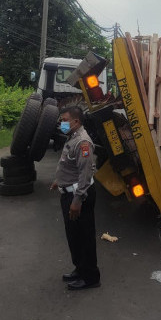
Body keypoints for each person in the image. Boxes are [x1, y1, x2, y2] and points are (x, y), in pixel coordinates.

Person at [49, 106, 100, 291]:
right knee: (74, 236)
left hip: (79, 195)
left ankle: (91, 277)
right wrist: (58, 180)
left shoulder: (83, 143)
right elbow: (69, 164)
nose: (61, 123)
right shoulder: (72, 137)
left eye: (64, 120)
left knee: (84, 236)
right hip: (68, 192)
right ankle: (80, 269)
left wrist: (77, 201)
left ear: (76, 121)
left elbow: (85, 174)